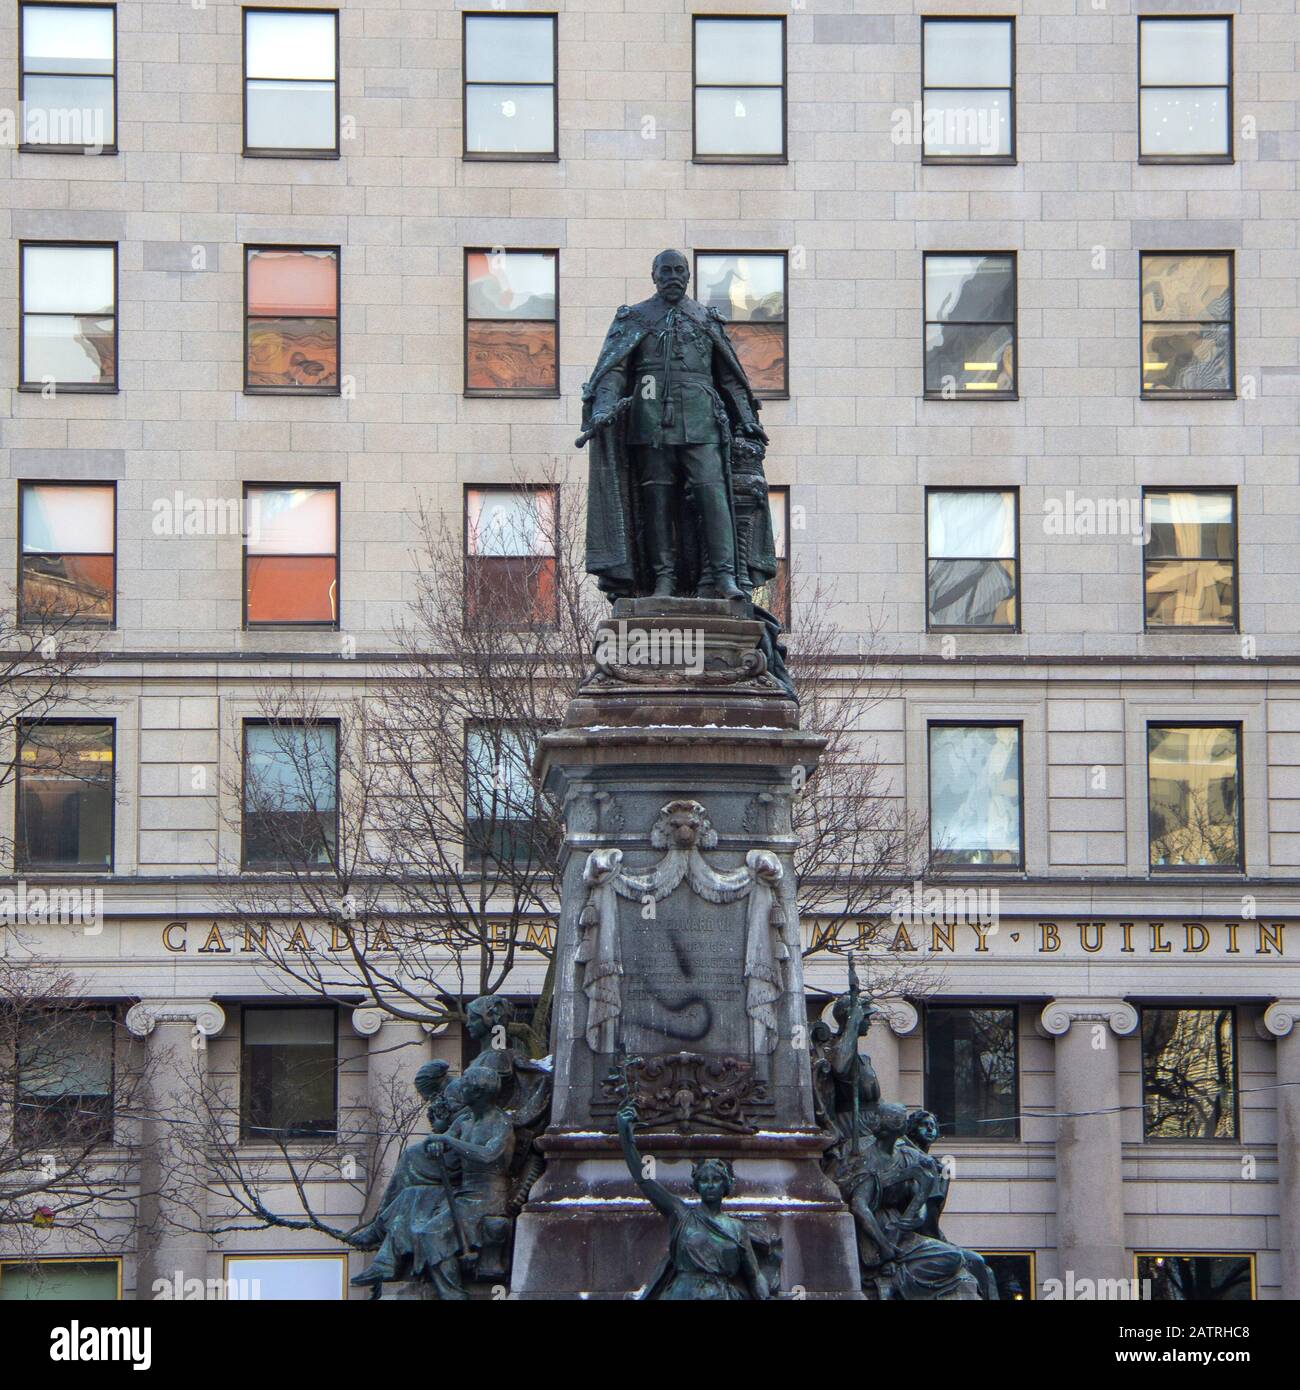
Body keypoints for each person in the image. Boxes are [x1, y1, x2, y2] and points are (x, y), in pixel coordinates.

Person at [351, 1069, 514, 1300]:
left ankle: (453, 1295)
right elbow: (441, 1138)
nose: (458, 1091)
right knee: (411, 1196)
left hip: (487, 1197)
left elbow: (488, 1155)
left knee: (430, 1232)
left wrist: (448, 1141)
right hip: (461, 1191)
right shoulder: (466, 1120)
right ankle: (386, 1260)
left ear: (478, 1093)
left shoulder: (500, 1123)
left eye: (464, 1087)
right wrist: (435, 1143)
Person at [616, 1099, 775, 1300]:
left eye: (716, 1179)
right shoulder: (681, 1214)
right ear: (696, 1186)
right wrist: (625, 1139)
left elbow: (753, 1276)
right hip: (684, 1294)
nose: (710, 1184)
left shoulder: (736, 1229)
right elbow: (645, 1181)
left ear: (725, 1186)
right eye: (704, 1180)